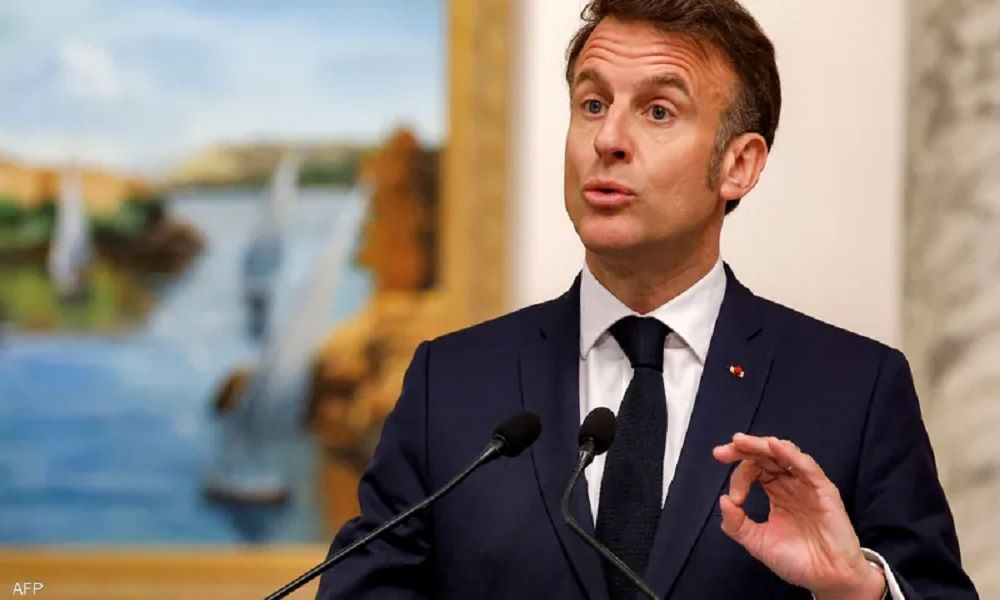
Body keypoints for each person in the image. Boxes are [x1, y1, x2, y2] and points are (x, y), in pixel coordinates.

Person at [317, 0, 978, 598]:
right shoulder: (450, 383)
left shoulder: (854, 391)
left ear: (739, 164)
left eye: (658, 111)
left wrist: (860, 591)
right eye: (592, 104)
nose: (607, 139)